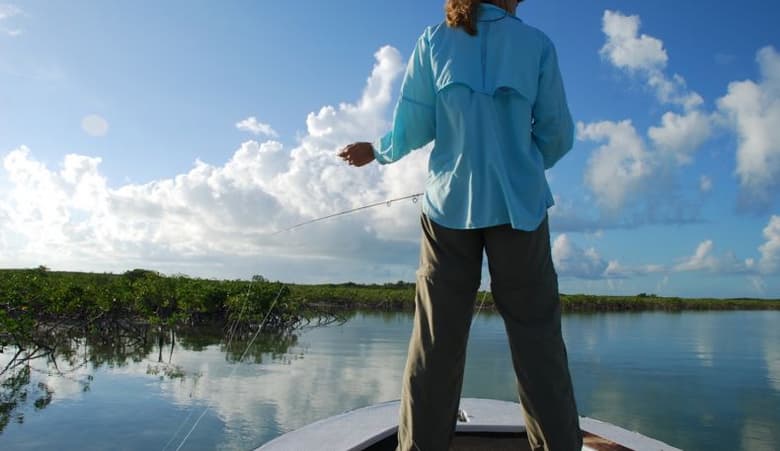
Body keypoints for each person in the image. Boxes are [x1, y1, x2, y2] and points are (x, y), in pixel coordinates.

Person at [339, 0, 581, 449]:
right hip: (521, 213)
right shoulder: (536, 44)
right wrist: (523, 166)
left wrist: (379, 150)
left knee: (435, 342)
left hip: (447, 211)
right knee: (539, 343)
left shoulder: (435, 40)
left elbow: (413, 123)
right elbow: (558, 135)